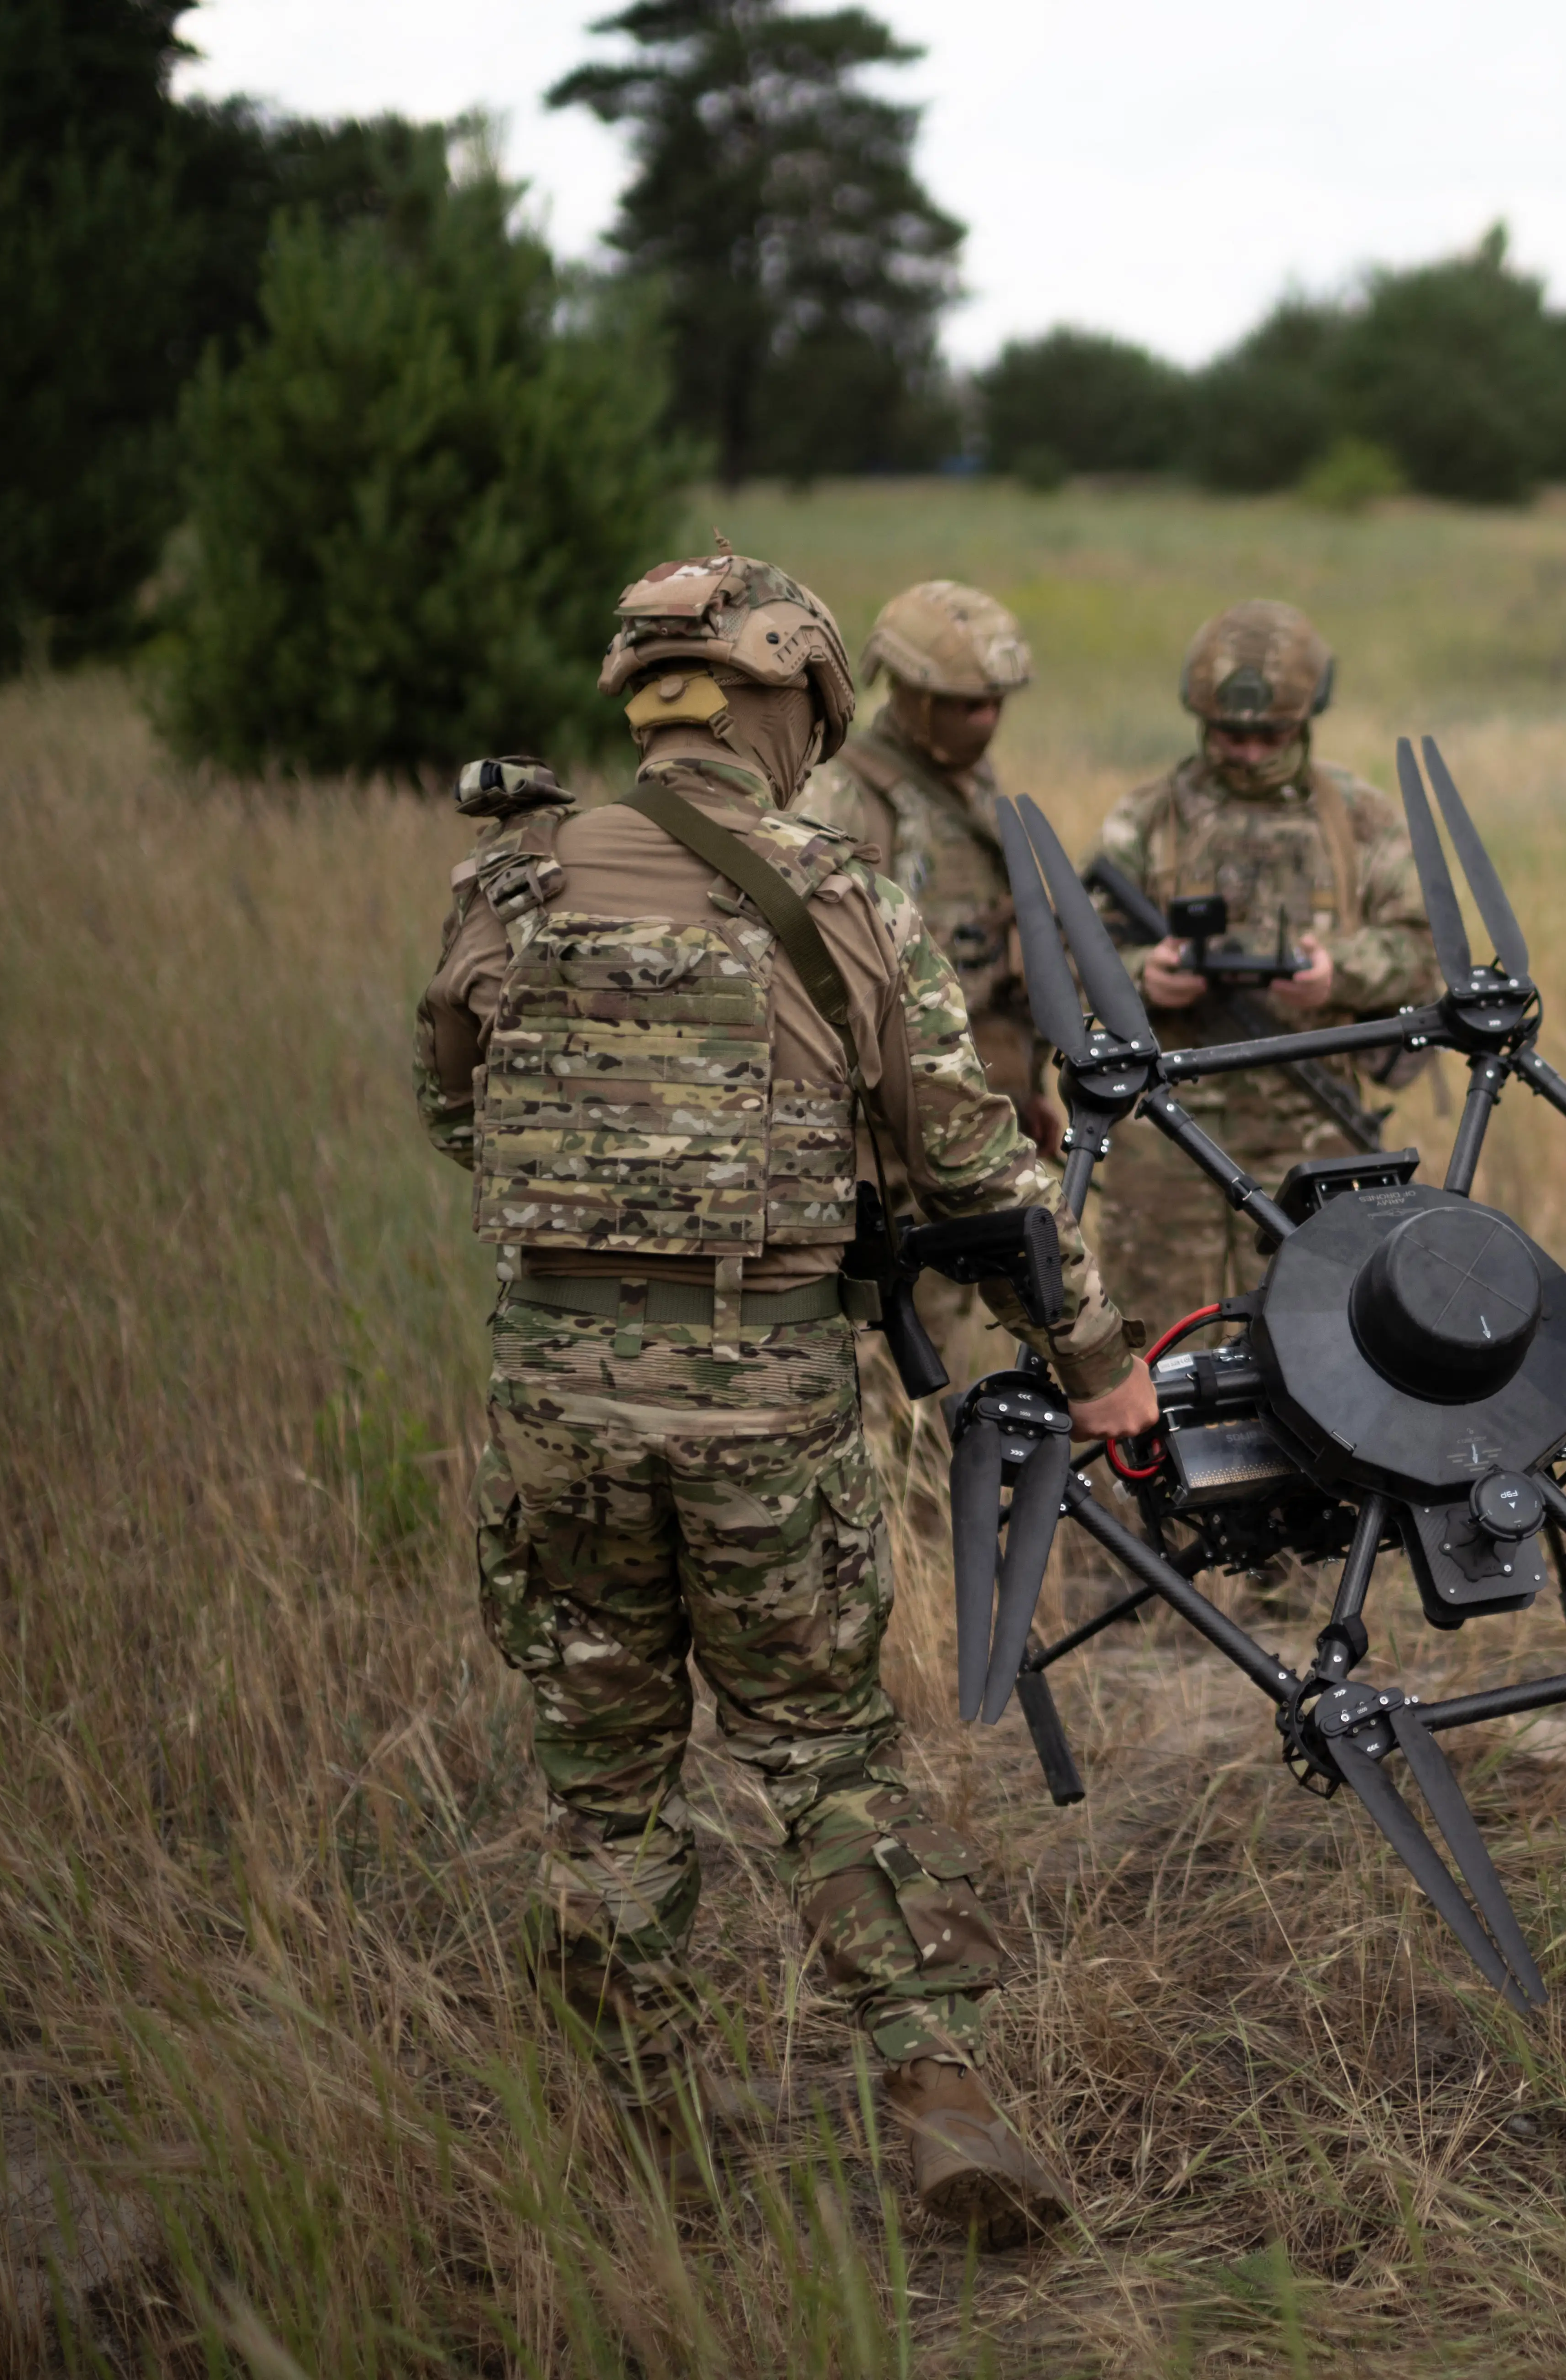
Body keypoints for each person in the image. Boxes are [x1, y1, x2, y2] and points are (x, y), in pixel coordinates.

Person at [413, 546, 1159, 2241]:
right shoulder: (840, 893)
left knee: (605, 1778)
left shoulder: (508, 877)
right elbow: (976, 1176)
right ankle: (942, 2099)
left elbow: (456, 1111)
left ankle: (649, 2137)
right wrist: (1100, 1369)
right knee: (824, 1754)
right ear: (802, 696)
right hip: (762, 1389)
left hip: (555, 1394)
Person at [1090, 599, 1438, 1342]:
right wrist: (1145, 976)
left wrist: (1337, 973)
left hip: (1312, 1134)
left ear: (1308, 717)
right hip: (1169, 1140)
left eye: (1269, 736)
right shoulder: (1145, 821)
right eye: (1230, 735)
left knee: (1322, 1338)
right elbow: (1069, 958)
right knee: (1155, 1340)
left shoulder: (1361, 820)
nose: (1248, 753)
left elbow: (1422, 948)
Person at [797, 581, 1044, 1466]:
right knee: (878, 1371)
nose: (988, 720)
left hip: (966, 1126)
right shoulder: (840, 798)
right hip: (880, 1144)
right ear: (908, 692)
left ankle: (930, 1509)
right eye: (967, 704)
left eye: (996, 703)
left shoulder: (968, 788)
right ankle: (896, 1519)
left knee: (944, 1356)